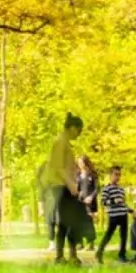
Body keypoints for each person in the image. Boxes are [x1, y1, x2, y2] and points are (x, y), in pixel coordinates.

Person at [40, 113, 85, 264]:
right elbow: (59, 167)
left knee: (70, 221)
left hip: (65, 185)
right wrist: (71, 184)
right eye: (79, 130)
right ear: (72, 128)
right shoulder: (60, 142)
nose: (80, 134)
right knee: (66, 221)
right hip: (60, 186)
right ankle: (61, 256)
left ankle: (70, 255)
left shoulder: (65, 143)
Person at [95, 166, 131, 263]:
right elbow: (103, 202)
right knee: (109, 234)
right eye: (116, 174)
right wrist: (114, 200)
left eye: (119, 175)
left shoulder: (121, 189)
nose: (118, 177)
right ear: (110, 175)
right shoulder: (107, 189)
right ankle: (99, 252)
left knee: (124, 236)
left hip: (123, 215)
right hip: (113, 216)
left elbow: (123, 203)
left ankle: (122, 255)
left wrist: (131, 210)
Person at [76, 155, 99, 250]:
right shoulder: (77, 175)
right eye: (78, 162)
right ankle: (80, 243)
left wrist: (91, 197)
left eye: (81, 162)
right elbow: (77, 188)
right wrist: (78, 193)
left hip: (90, 203)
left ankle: (91, 243)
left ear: (85, 162)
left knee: (88, 222)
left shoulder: (93, 174)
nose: (80, 164)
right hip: (80, 202)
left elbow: (97, 188)